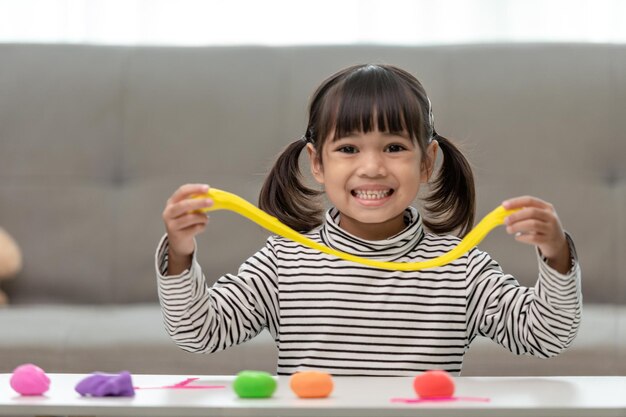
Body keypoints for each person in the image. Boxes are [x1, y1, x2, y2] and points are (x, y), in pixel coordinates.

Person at [155, 64, 581, 376]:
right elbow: (200, 333)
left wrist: (556, 254)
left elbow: (544, 337)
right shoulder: (285, 261)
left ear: (428, 161)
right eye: (348, 149)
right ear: (316, 163)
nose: (373, 167)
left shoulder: (462, 267)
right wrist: (179, 250)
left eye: (394, 147)